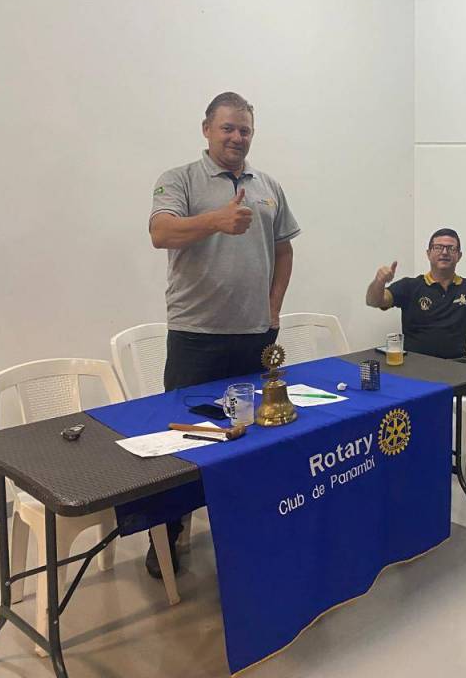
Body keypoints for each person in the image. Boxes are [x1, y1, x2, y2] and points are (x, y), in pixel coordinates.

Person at [148, 92, 300, 576]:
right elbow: (161, 233)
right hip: (196, 335)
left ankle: (248, 524)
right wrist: (216, 220)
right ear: (207, 129)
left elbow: (284, 250)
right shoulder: (179, 179)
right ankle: (169, 534)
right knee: (188, 438)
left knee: (254, 434)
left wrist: (274, 306)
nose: (237, 137)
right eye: (228, 128)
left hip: (254, 335)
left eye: (245, 130)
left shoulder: (269, 186)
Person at [366, 229, 466, 498]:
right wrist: (379, 282)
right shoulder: (410, 286)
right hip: (416, 371)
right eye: (438, 247)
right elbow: (374, 300)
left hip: (459, 368)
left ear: (459, 255)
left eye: (451, 248)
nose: (444, 252)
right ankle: (402, 466)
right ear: (428, 253)